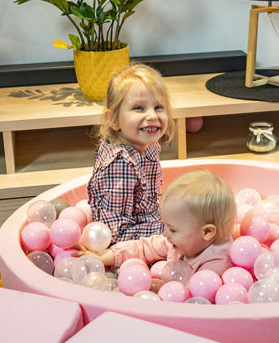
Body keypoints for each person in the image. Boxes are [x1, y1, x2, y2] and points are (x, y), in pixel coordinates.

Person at [81, 169, 237, 276]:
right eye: (166, 226)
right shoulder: (182, 240)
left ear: (207, 232)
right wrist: (104, 257)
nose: (164, 233)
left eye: (173, 229)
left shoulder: (217, 264)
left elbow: (195, 296)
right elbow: (143, 247)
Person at [87, 62, 175, 243]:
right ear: (113, 119)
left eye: (159, 107)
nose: (152, 116)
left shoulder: (146, 143)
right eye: (139, 108)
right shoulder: (121, 164)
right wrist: (168, 230)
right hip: (129, 239)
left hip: (146, 218)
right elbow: (115, 234)